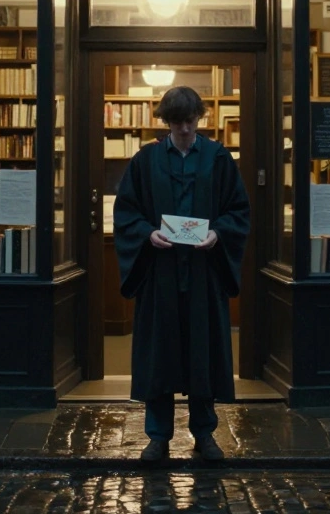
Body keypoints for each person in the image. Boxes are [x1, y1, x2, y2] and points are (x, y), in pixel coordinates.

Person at [112, 85, 251, 463]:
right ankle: (158, 437)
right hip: (161, 273)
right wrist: (147, 233)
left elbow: (238, 209)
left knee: (202, 352)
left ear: (199, 119)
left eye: (190, 121)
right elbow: (127, 212)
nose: (185, 129)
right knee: (160, 355)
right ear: (165, 122)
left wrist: (217, 233)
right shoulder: (146, 160)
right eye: (177, 123)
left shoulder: (219, 159)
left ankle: (204, 434)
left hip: (204, 272)